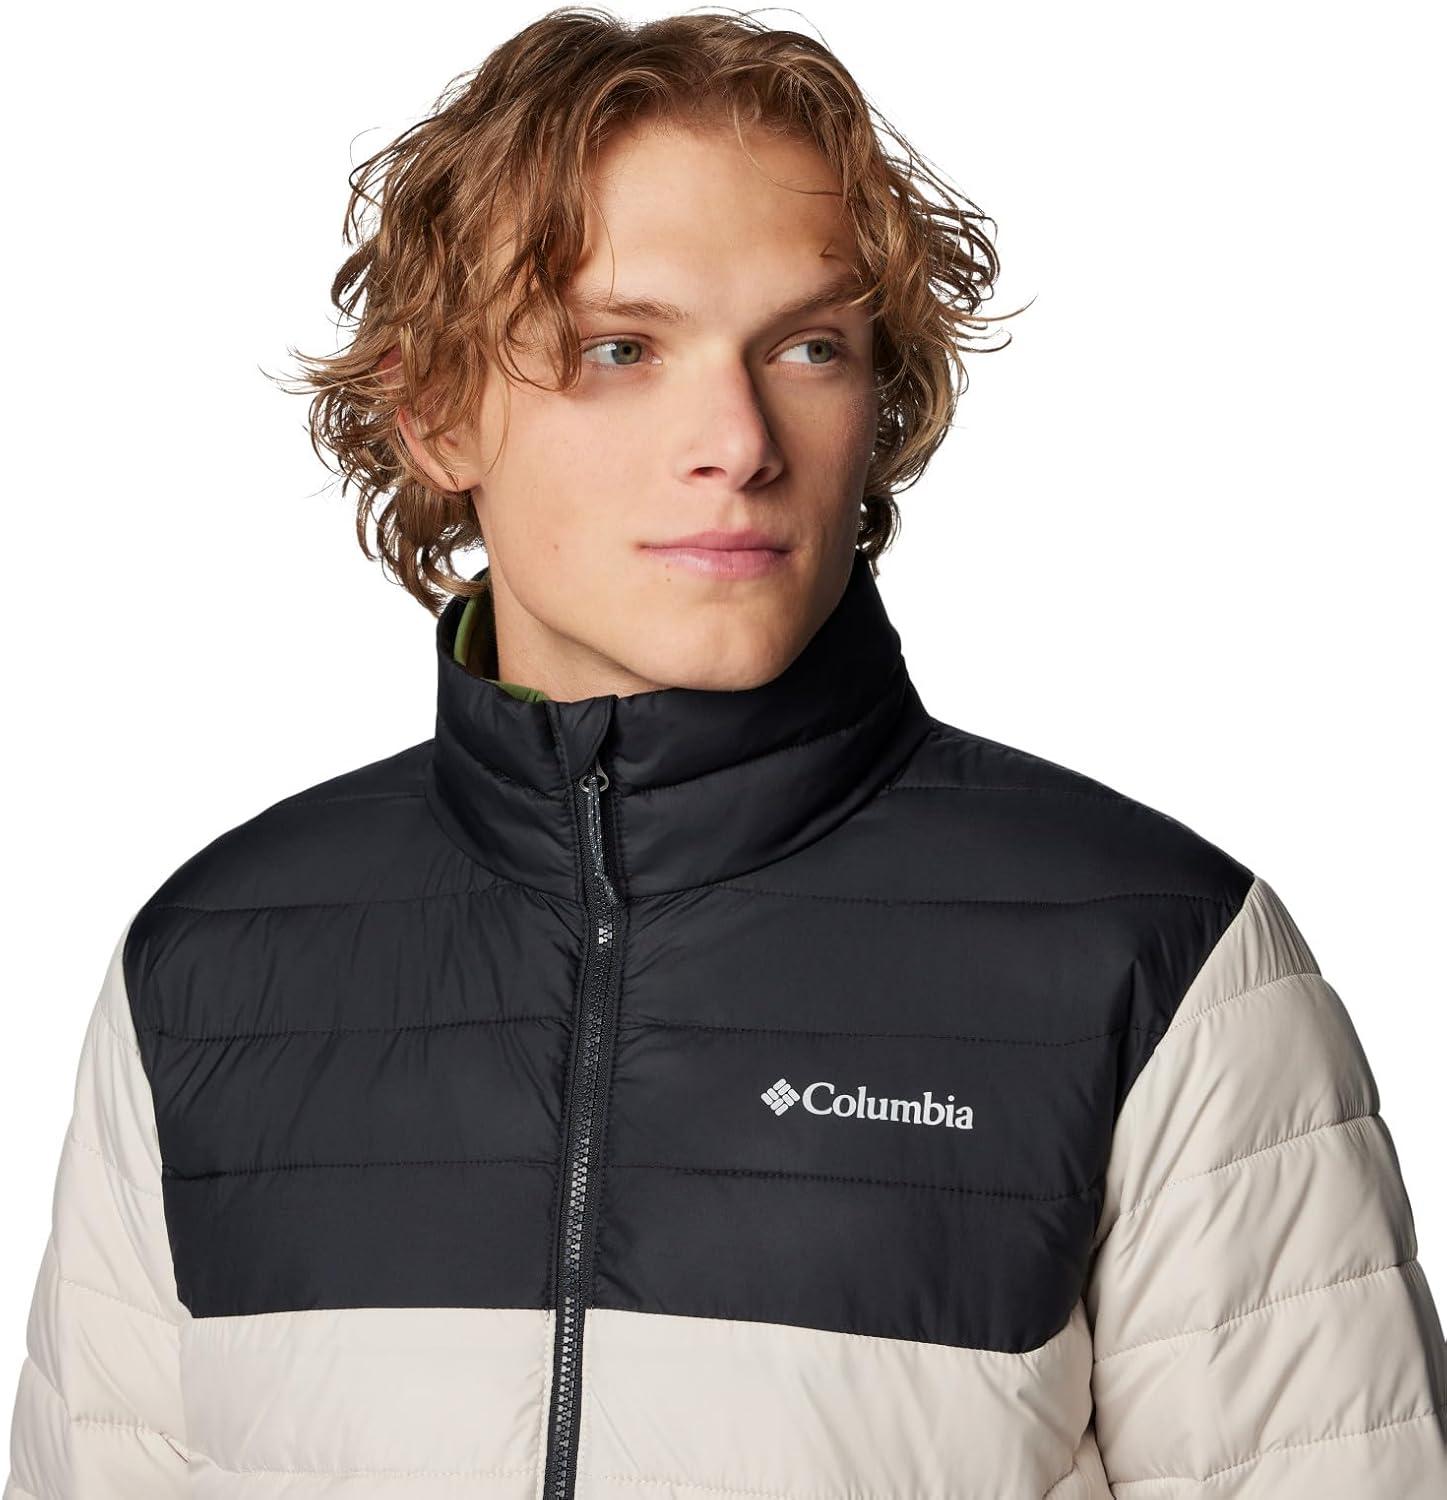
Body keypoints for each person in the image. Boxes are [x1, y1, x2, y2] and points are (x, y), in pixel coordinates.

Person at [6, 8, 1445, 1499]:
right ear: (433, 413)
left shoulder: (1155, 959)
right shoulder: (211, 970)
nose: (740, 440)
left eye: (809, 347)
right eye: (620, 349)